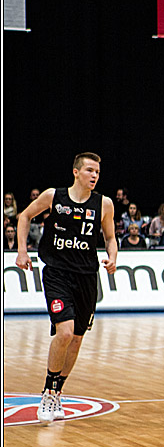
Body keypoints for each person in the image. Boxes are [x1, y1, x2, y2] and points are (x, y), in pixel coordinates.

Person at [15, 152, 118, 425]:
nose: (94, 176)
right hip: (57, 272)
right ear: (76, 172)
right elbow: (24, 216)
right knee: (64, 332)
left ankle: (58, 392)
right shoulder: (54, 196)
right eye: (89, 170)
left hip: (87, 276)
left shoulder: (104, 204)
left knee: (77, 339)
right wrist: (22, 251)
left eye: (97, 171)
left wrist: (113, 257)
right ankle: (47, 392)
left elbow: (110, 236)